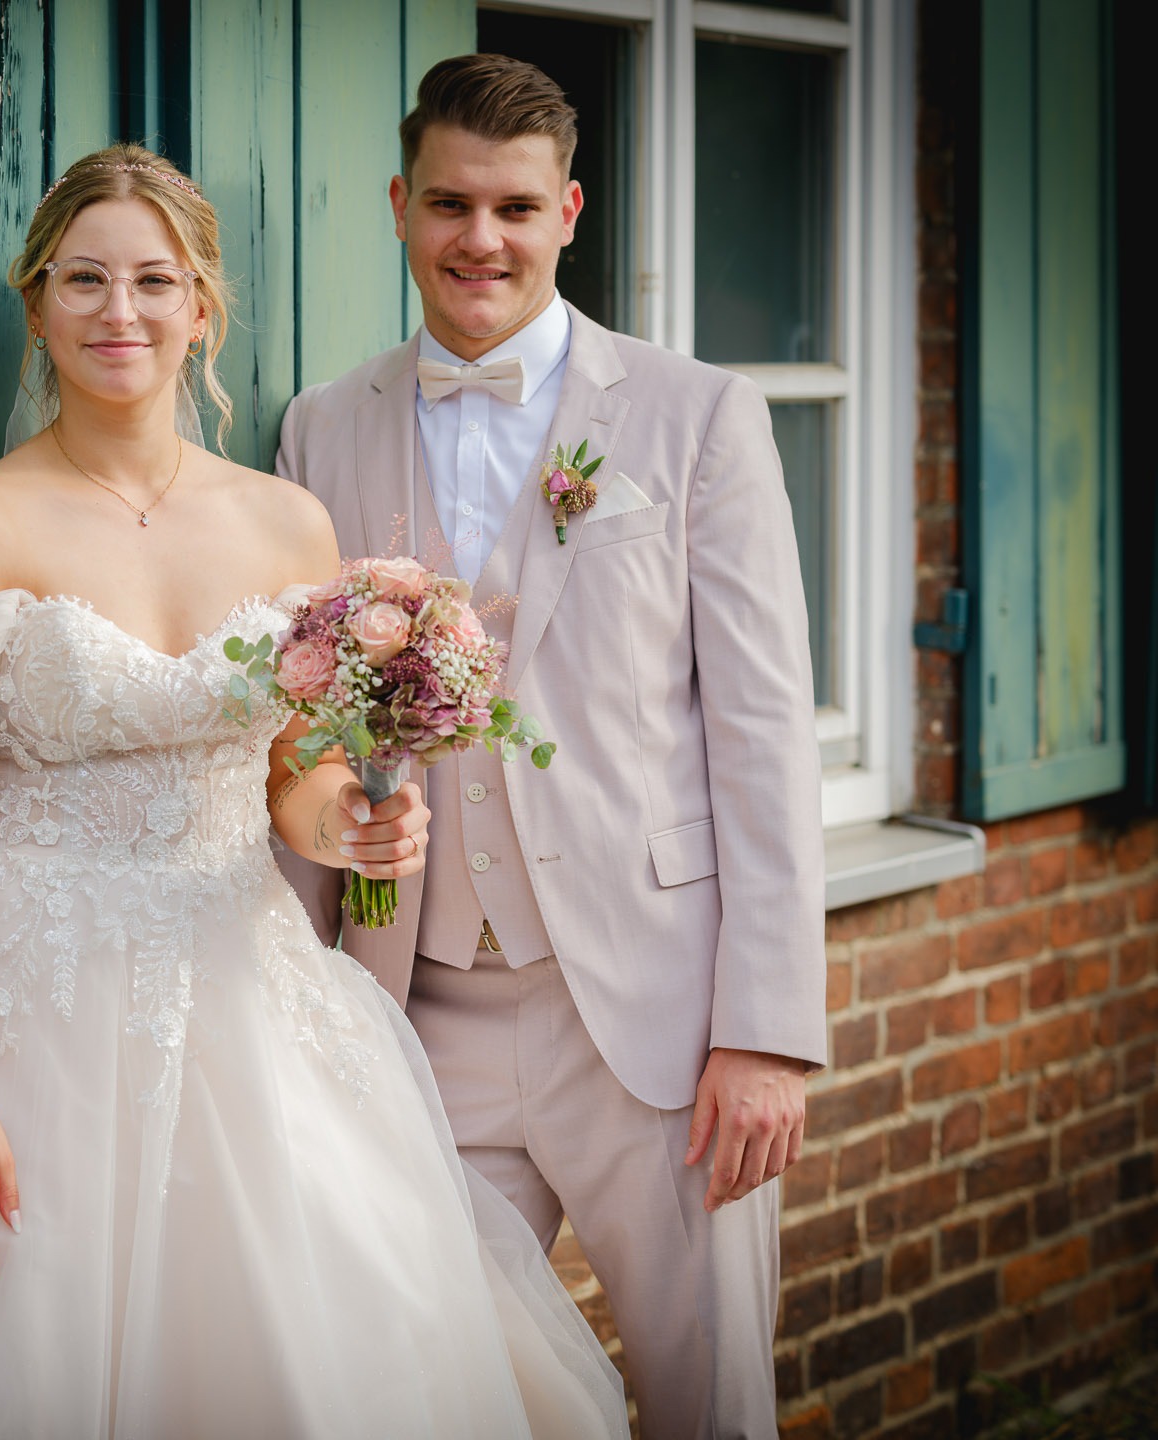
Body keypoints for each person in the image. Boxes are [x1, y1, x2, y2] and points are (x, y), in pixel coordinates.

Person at [0, 143, 627, 1440]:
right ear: (37, 301)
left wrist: (351, 819)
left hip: (250, 992)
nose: (121, 314)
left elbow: (296, 774)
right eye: (84, 281)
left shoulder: (288, 523)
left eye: (154, 283)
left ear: (203, 308)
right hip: (26, 1014)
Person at [275, 56, 827, 1440]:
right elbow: (292, 731)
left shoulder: (699, 418)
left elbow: (763, 737)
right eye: (451, 203)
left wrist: (767, 1034)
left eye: (516, 207)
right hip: (416, 1010)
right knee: (433, 1405)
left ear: (569, 210)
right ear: (400, 207)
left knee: (716, 1409)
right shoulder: (317, 428)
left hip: (658, 1019)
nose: (482, 239)